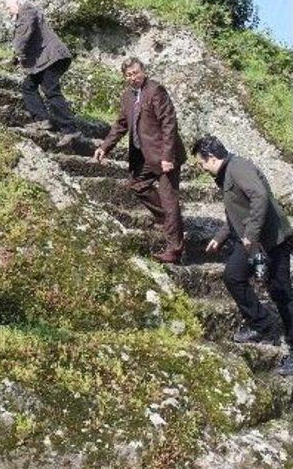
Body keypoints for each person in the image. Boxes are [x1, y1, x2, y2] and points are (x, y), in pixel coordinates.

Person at [192, 135, 293, 375]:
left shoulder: (239, 168)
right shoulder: (226, 173)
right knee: (233, 276)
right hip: (252, 243)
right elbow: (236, 211)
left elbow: (259, 197)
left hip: (272, 241)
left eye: (201, 163)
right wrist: (220, 236)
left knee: (281, 293)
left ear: (212, 158)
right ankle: (264, 325)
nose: (201, 168)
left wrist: (251, 233)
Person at [93, 56, 186, 264]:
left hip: (164, 156)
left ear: (143, 71)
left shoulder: (156, 90)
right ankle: (171, 222)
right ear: (124, 77)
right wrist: (105, 147)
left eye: (136, 73)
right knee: (137, 185)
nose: (133, 77)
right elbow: (121, 124)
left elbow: (169, 124)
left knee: (169, 200)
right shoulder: (127, 96)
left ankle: (175, 249)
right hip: (143, 156)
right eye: (129, 75)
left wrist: (167, 157)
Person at [5, 0, 80, 147]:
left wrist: (16, 53)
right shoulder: (28, 12)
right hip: (46, 59)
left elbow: (24, 33)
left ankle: (70, 129)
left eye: (9, 7)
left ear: (18, 3)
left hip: (51, 57)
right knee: (28, 87)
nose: (9, 11)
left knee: (51, 90)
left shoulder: (27, 11)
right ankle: (43, 119)